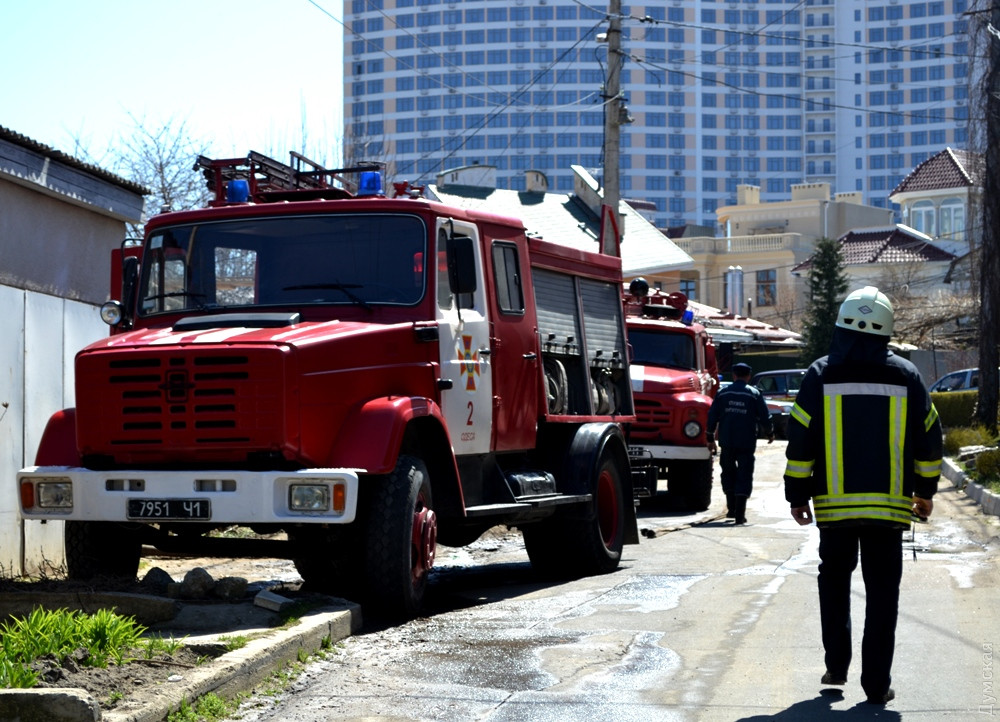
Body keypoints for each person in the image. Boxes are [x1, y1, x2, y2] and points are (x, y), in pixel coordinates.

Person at [783, 286, 942, 706]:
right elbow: (930, 440)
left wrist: (797, 495)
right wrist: (925, 492)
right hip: (888, 512)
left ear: (840, 326)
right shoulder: (906, 375)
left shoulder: (820, 373)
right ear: (886, 330)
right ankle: (876, 685)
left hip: (834, 510)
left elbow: (800, 441)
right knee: (883, 596)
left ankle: (836, 665)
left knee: (833, 585)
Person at [707, 362, 774, 524]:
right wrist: (770, 433)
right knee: (744, 474)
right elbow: (765, 416)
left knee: (728, 472)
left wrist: (709, 437)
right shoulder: (754, 394)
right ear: (748, 376)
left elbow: (712, 416)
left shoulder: (723, 393)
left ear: (734, 375)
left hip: (727, 441)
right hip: (746, 442)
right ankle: (740, 514)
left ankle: (731, 509)